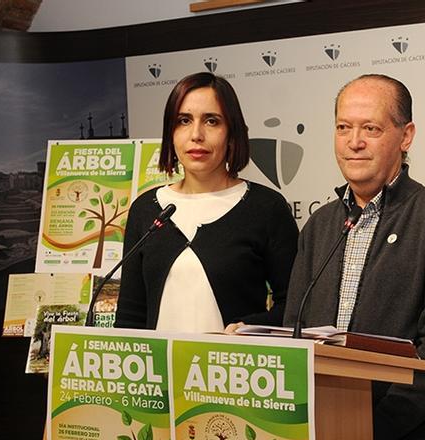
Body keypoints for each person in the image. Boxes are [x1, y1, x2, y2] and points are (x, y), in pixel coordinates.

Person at [283, 74, 425, 440]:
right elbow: (295, 339)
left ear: (406, 136)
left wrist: (371, 434)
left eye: (370, 128)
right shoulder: (320, 226)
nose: (354, 142)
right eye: (343, 127)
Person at [115, 72, 298, 332]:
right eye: (183, 121)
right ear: (171, 132)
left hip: (237, 368)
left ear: (231, 132)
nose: (196, 134)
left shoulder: (266, 208)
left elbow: (295, 309)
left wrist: (250, 328)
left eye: (211, 121)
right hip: (157, 372)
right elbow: (130, 317)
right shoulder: (146, 209)